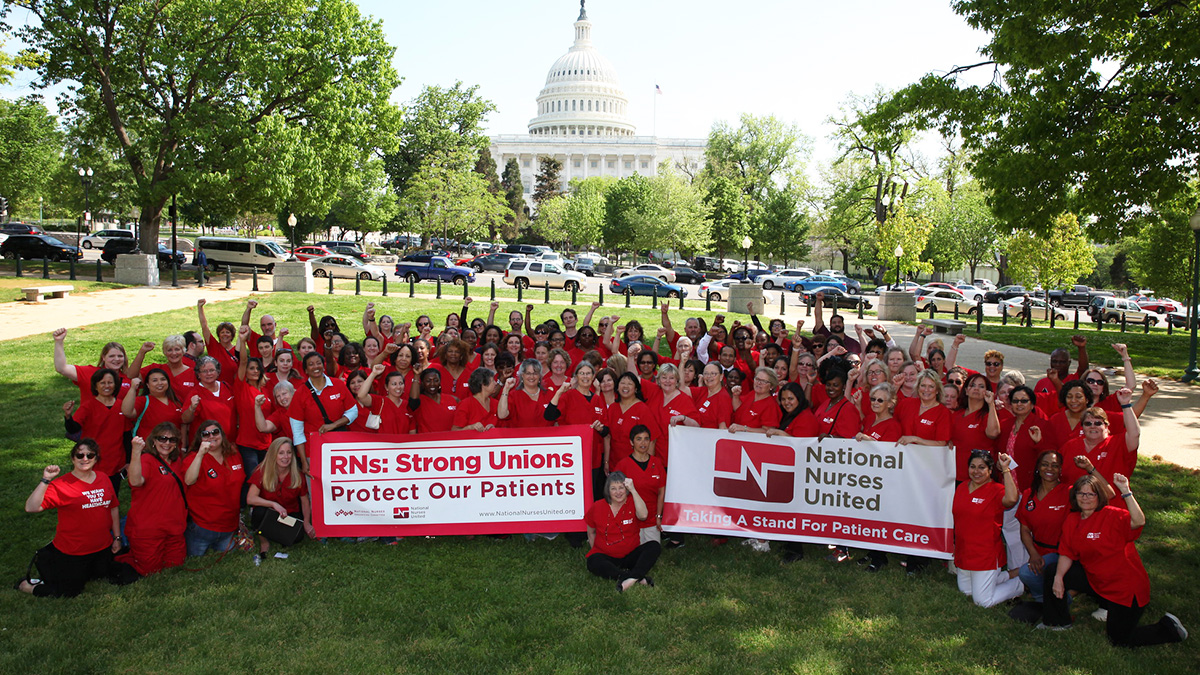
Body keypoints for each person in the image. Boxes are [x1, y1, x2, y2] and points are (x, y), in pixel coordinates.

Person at [1041, 473, 1188, 646]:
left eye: (1091, 494)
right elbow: (1066, 553)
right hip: (1095, 579)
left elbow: (1138, 521)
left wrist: (1126, 491)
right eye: (1081, 493)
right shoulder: (1072, 519)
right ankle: (1058, 622)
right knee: (1052, 571)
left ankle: (1168, 628)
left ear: (1099, 496)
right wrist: (1059, 578)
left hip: (1124, 589)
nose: (1085, 498)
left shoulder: (1112, 515)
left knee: (1119, 640)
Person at [16, 440, 124, 598]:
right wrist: (46, 480)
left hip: (102, 548)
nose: (84, 458)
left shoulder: (103, 478)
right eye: (79, 455)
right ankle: (26, 585)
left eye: (90, 455)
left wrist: (117, 538)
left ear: (96, 458)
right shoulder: (62, 484)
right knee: (68, 591)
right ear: (73, 458)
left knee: (107, 576)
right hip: (74, 551)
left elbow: (113, 507)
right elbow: (31, 507)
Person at [953, 450, 1024, 608]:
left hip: (985, 555)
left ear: (990, 470)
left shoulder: (996, 490)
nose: (976, 471)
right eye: (973, 467)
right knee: (966, 592)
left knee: (982, 601)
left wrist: (1006, 469)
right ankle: (1008, 575)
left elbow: (1012, 499)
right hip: (965, 552)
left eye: (981, 467)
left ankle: (1019, 584)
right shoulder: (962, 487)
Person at [120, 424, 188, 576]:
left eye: (172, 440)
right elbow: (136, 482)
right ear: (153, 441)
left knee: (175, 565)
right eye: (162, 438)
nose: (167, 443)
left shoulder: (176, 460)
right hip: (149, 527)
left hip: (174, 525)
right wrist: (136, 453)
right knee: (150, 570)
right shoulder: (146, 460)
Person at [584, 472, 661, 593]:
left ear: (627, 489)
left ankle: (629, 578)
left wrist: (634, 490)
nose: (618, 492)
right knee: (593, 561)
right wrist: (596, 550)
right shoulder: (597, 506)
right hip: (606, 556)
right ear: (607, 491)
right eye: (613, 489)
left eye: (621, 488)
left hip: (630, 555)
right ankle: (635, 577)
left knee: (654, 546)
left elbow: (643, 515)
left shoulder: (633, 502)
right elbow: (591, 532)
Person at [546, 362, 608, 501]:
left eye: (588, 373)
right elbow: (549, 416)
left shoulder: (598, 399)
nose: (585, 377)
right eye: (582, 373)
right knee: (572, 496)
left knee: (590, 495)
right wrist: (559, 391)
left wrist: (601, 428)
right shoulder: (568, 396)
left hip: (593, 458)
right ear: (576, 377)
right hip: (570, 458)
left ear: (593, 377)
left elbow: (606, 430)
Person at [247, 438, 314, 564]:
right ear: (273, 455)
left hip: (289, 514)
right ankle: (264, 541)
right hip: (268, 513)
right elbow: (250, 498)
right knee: (258, 513)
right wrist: (273, 504)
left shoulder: (297, 474)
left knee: (298, 537)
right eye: (281, 453)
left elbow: (304, 500)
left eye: (289, 452)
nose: (285, 457)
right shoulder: (262, 471)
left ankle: (277, 535)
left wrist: (306, 522)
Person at [183, 421, 244, 556]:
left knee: (228, 562)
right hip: (202, 528)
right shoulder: (193, 458)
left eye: (215, 432)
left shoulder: (233, 454)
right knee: (194, 560)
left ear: (222, 435)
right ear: (200, 439)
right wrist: (200, 454)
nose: (211, 436)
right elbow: (189, 480)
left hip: (229, 526)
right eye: (205, 434)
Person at [289, 352, 358, 472]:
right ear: (305, 370)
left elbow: (353, 411)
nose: (315, 367)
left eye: (318, 363)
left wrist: (334, 425)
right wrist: (304, 461)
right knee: (317, 489)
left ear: (323, 365)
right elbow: (297, 431)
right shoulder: (300, 393)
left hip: (339, 447)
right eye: (311, 364)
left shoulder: (338, 384)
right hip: (313, 450)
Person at [62, 368, 127, 495]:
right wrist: (68, 416)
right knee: (93, 496)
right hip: (93, 460)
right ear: (96, 386)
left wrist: (129, 460)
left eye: (110, 382)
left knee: (113, 495)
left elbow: (127, 434)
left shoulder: (122, 406)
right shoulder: (88, 406)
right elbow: (74, 429)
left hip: (115, 460)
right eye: (102, 383)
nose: (106, 386)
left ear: (116, 385)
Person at [1059, 388, 1140, 486]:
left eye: (1098, 423)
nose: (1093, 426)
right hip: (1078, 500)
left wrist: (1126, 404)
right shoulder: (1070, 446)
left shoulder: (1119, 443)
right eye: (1088, 423)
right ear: (1082, 427)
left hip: (1111, 500)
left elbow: (1134, 433)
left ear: (1106, 426)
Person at [613, 426, 667, 546]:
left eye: (646, 439)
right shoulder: (623, 465)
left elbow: (662, 492)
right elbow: (614, 494)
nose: (643, 443)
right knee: (632, 554)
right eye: (639, 439)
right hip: (630, 520)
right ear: (631, 442)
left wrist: (659, 516)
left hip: (651, 520)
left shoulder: (657, 463)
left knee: (652, 551)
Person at [52, 327, 131, 403]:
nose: (116, 359)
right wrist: (59, 342)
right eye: (111, 356)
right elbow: (61, 368)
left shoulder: (129, 377)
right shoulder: (89, 372)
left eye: (120, 356)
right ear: (103, 357)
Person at [604, 373, 659, 471]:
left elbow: (652, 440)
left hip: (636, 465)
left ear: (636, 388)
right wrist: (606, 462)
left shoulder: (643, 409)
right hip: (614, 465)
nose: (625, 386)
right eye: (622, 383)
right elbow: (607, 437)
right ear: (617, 387)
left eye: (630, 384)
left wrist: (648, 465)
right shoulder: (612, 408)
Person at [122, 368, 187, 441]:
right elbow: (127, 412)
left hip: (172, 447)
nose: (160, 383)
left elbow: (183, 424)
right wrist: (133, 388)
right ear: (147, 385)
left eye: (163, 379)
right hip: (148, 448)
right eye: (155, 380)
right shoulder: (143, 401)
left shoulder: (177, 401)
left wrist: (183, 447)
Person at [359, 364, 415, 435]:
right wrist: (373, 374)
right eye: (394, 384)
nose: (398, 387)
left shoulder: (407, 405)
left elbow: (412, 432)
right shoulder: (379, 401)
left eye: (401, 383)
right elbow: (361, 395)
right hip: (383, 444)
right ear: (386, 387)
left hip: (403, 445)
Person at [498, 359, 553, 429]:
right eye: (528, 373)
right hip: (521, 438)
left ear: (539, 376)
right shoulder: (514, 395)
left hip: (546, 438)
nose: (532, 377)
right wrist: (506, 389)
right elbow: (502, 415)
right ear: (522, 375)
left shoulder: (549, 394)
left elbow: (556, 421)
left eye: (535, 373)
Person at [730, 367, 782, 433]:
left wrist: (744, 428)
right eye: (757, 379)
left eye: (764, 381)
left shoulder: (771, 405)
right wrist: (736, 396)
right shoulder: (752, 394)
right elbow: (738, 408)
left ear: (771, 386)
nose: (759, 383)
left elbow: (768, 431)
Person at [408, 368, 458, 434]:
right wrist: (417, 375)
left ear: (440, 382)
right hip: (427, 442)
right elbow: (413, 400)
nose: (432, 384)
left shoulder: (453, 399)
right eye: (428, 381)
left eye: (436, 380)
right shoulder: (419, 401)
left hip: (449, 441)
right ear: (422, 383)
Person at [452, 367, 499, 432]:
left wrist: (494, 428)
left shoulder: (496, 403)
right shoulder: (466, 404)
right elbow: (454, 431)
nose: (496, 383)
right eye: (493, 381)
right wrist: (470, 427)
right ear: (483, 384)